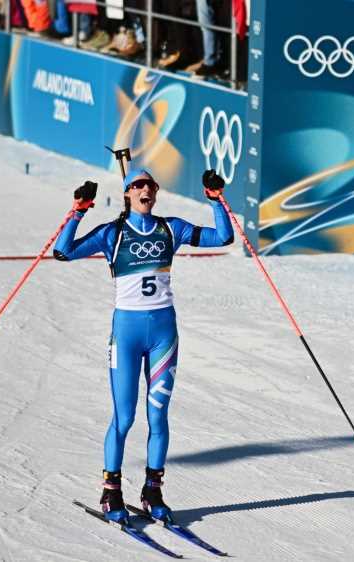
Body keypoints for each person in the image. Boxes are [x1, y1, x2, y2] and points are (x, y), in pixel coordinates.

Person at [53, 168, 233, 522]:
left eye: (150, 184)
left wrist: (216, 200)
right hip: (127, 334)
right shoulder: (113, 233)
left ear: (156, 191)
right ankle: (111, 491)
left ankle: (153, 491)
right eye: (137, 185)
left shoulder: (172, 228)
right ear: (127, 194)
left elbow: (223, 237)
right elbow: (63, 252)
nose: (144, 188)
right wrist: (78, 210)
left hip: (164, 335)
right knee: (124, 417)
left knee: (158, 417)